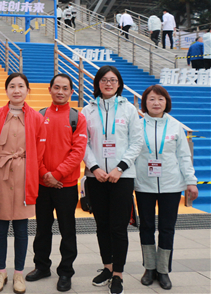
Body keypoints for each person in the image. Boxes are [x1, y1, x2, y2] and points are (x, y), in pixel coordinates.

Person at [81, 65, 143, 294]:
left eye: (113, 80)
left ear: (119, 84)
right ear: (97, 83)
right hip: (95, 177)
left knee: (118, 227)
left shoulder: (129, 109)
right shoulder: (87, 110)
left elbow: (137, 142)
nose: (108, 83)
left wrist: (120, 168)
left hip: (122, 178)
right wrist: (94, 168)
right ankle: (107, 267)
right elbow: (83, 142)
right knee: (102, 225)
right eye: (104, 80)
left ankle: (118, 274)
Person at [25, 74, 87, 292]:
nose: (60, 92)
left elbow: (78, 151)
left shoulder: (77, 118)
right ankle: (42, 266)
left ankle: (66, 272)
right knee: (42, 228)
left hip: (65, 186)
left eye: (65, 88)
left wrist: (58, 175)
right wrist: (44, 174)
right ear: (49, 89)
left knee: (67, 230)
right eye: (57, 87)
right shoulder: (40, 115)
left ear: (71, 92)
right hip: (43, 184)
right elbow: (34, 149)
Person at [0, 73, 46, 294]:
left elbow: (40, 150)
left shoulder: (37, 118)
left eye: (21, 86)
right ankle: (1, 271)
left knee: (21, 227)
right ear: (6, 90)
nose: (17, 90)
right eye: (12, 86)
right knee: (0, 226)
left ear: (28, 90)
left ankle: (19, 273)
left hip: (24, 174)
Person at [135, 85, 198, 290]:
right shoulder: (137, 125)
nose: (156, 103)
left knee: (167, 228)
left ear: (166, 102)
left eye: (160, 99)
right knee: (146, 227)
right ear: (145, 102)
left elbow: (184, 156)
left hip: (171, 185)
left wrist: (191, 181)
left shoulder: (175, 126)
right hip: (143, 184)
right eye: (152, 99)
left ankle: (163, 270)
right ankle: (149, 268)